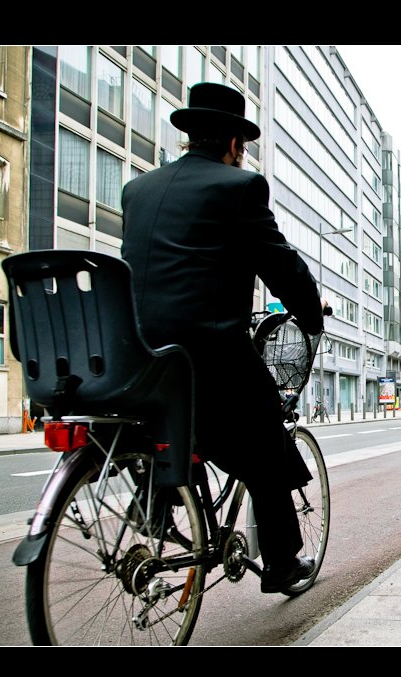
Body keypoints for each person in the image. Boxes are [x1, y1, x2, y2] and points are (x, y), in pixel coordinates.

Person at [120, 83, 326, 594]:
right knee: (265, 440)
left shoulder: (137, 190)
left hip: (135, 354)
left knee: (175, 417)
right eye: (244, 147)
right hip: (206, 354)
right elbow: (280, 263)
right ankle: (280, 563)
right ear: (234, 143)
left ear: (191, 136)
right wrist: (311, 314)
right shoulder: (240, 188)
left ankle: (155, 501)